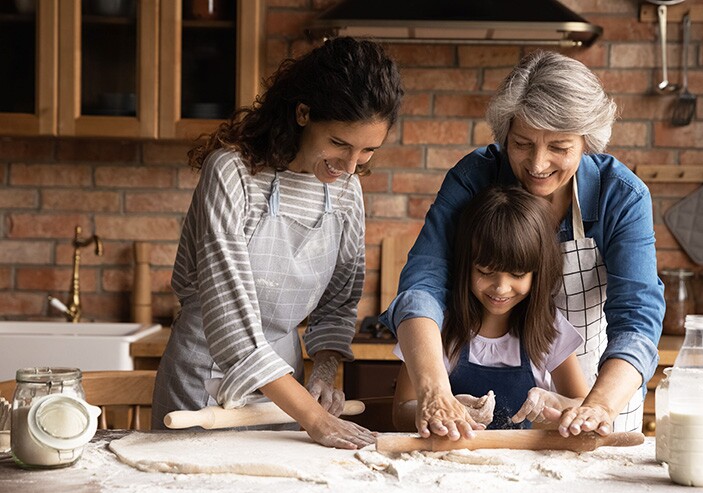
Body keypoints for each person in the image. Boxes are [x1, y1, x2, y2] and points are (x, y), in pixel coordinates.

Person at [380, 50, 664, 441]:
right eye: (522, 143)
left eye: (560, 148)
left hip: (602, 391)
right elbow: (423, 286)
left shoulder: (622, 196)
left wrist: (596, 405)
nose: (537, 164)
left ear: (587, 142)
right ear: (505, 134)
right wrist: (435, 393)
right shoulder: (473, 179)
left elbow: (637, 318)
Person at [152, 37, 404, 450]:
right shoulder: (231, 174)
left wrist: (322, 373)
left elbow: (337, 306)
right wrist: (312, 417)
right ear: (303, 112)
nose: (351, 166)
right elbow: (230, 323)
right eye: (340, 144)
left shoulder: (346, 191)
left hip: (286, 388)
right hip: (205, 380)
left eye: (368, 151)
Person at [392, 186, 589, 431]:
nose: (501, 288)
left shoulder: (548, 327)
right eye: (485, 272)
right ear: (466, 265)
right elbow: (401, 411)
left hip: (522, 467)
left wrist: (557, 403)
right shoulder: (435, 326)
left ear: (537, 273)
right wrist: (445, 409)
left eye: (517, 274)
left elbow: (583, 405)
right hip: (448, 462)